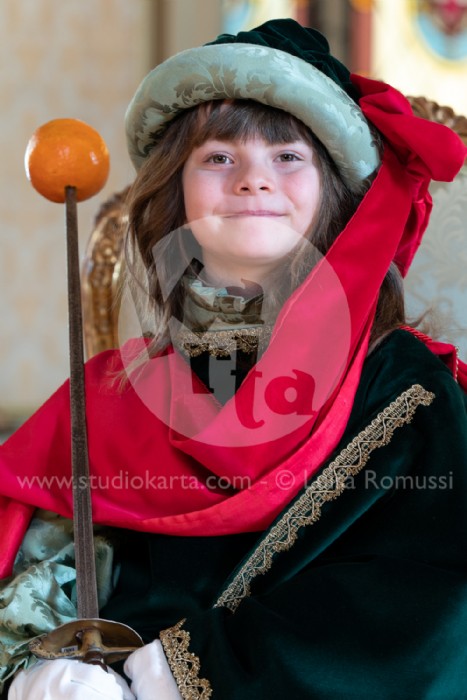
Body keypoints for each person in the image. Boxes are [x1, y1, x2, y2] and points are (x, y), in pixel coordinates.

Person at [1, 17, 467, 700]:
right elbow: (43, 559)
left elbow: (436, 605)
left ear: (335, 198)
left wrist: (190, 673)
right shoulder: (118, 391)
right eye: (219, 157)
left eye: (287, 157)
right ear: (175, 192)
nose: (253, 180)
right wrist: (35, 666)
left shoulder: (403, 390)